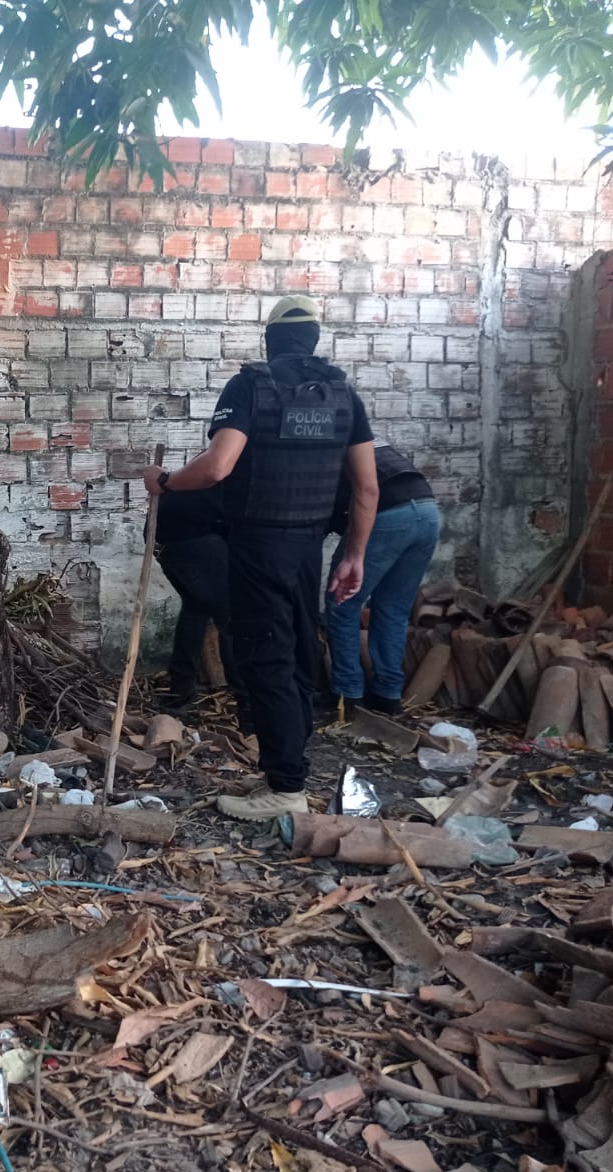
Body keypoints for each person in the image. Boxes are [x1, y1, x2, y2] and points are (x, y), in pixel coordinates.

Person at [143, 296, 378, 820]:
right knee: (297, 650)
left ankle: (285, 789)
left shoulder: (252, 384)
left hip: (257, 544)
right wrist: (354, 554)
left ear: (271, 338)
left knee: (264, 654)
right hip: (309, 546)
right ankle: (292, 764)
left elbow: (217, 467)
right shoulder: (343, 395)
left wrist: (166, 483)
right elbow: (366, 489)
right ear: (314, 337)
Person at [323, 441, 439, 715]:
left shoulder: (321, 450)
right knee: (393, 609)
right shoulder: (365, 438)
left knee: (342, 603)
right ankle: (388, 693)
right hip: (428, 512)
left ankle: (348, 693)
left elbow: (327, 510)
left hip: (385, 515)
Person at [152, 485, 245, 726]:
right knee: (232, 617)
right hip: (192, 535)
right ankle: (249, 704)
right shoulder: (246, 459)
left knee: (196, 609)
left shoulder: (223, 455)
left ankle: (179, 690)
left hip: (167, 534)